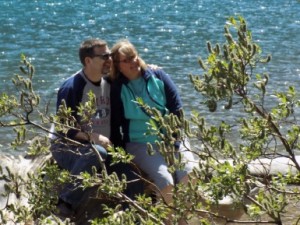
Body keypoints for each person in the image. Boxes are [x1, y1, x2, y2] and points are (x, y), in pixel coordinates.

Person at [50, 38, 143, 217]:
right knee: (97, 152)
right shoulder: (72, 87)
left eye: (109, 55)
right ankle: (65, 203)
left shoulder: (109, 85)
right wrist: (91, 137)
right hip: (67, 148)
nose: (110, 59)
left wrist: (152, 70)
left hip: (102, 148)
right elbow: (63, 129)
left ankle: (129, 217)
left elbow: (115, 125)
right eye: (105, 56)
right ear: (88, 61)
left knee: (132, 174)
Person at [110, 39, 196, 224]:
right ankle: (169, 221)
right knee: (166, 182)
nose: (133, 62)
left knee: (189, 174)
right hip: (140, 143)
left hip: (173, 138)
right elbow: (115, 123)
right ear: (118, 66)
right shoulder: (117, 87)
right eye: (126, 60)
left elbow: (177, 109)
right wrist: (119, 156)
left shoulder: (158, 75)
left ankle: (182, 220)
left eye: (133, 57)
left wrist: (174, 139)